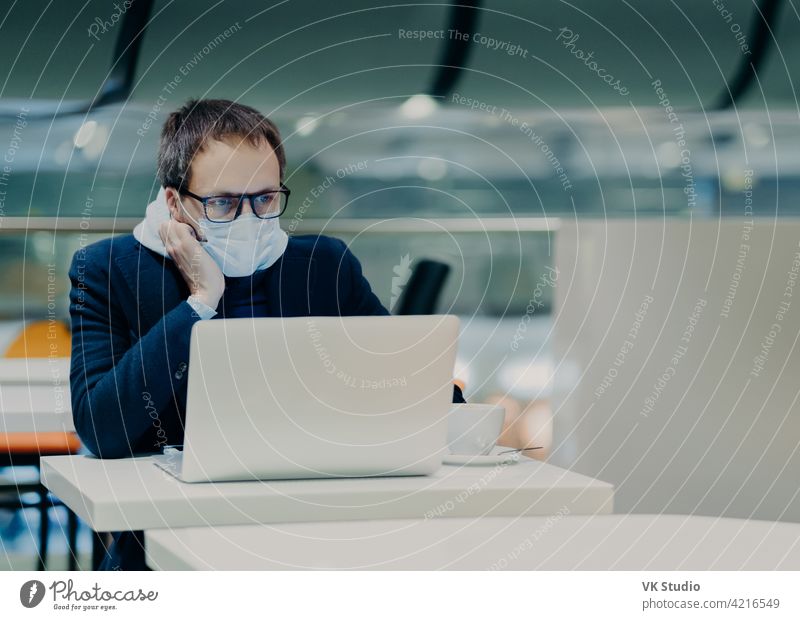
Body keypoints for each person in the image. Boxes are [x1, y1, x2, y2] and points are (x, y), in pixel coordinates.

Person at [68, 98, 465, 570]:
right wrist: (199, 302)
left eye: (265, 198)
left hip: (316, 528)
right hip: (172, 532)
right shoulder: (108, 270)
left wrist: (442, 399)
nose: (250, 219)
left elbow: (404, 390)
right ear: (175, 202)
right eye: (222, 203)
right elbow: (101, 428)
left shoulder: (323, 266)